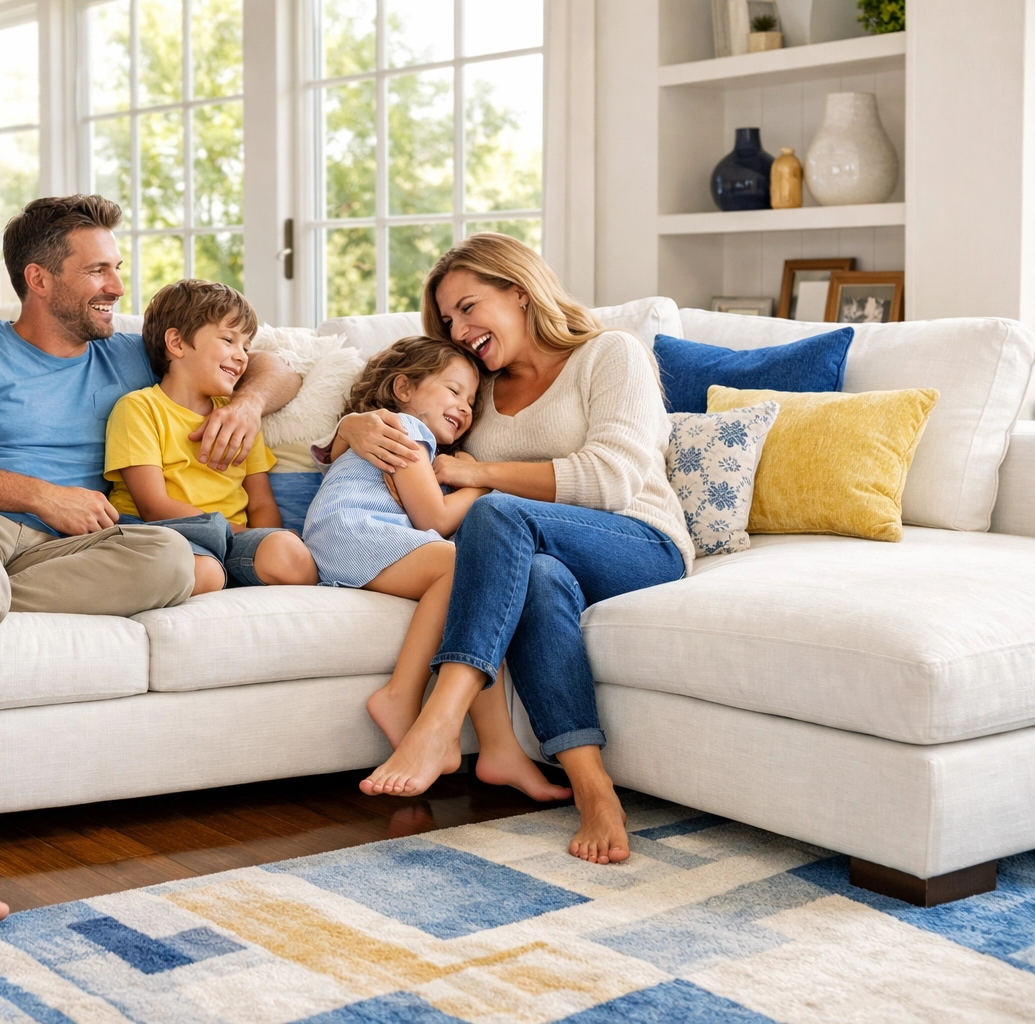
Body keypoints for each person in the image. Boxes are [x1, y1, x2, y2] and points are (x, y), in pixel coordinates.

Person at [0, 195, 303, 931]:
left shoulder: (129, 353)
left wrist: (249, 405)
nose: (118, 287)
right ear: (40, 279)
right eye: (98, 270)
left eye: (117, 268)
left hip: (63, 550)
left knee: (168, 556)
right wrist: (40, 494)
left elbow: (276, 364)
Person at [330, 234, 695, 866]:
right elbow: (414, 451)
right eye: (448, 319)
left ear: (520, 292)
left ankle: (439, 719)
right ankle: (593, 786)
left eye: (470, 307)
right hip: (546, 553)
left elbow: (611, 479)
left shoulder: (610, 354)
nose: (460, 328)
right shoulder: (477, 397)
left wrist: (484, 475)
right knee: (540, 578)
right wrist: (349, 427)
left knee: (498, 512)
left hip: (637, 541)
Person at [303, 337, 573, 804]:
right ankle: (400, 697)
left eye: (470, 402)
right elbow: (435, 520)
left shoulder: (405, 437)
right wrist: (476, 480)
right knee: (472, 568)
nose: (464, 408)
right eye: (452, 391)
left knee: (483, 596)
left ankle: (499, 748)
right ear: (404, 387)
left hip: (352, 539)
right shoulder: (405, 430)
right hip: (352, 532)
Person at [105, 279, 318, 590]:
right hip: (166, 533)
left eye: (246, 346)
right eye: (228, 340)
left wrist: (269, 538)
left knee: (292, 556)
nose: (243, 355)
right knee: (204, 571)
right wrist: (234, 532)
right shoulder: (139, 408)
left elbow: (260, 503)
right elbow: (153, 505)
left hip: (233, 540)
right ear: (176, 343)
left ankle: (236, 572)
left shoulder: (239, 417)